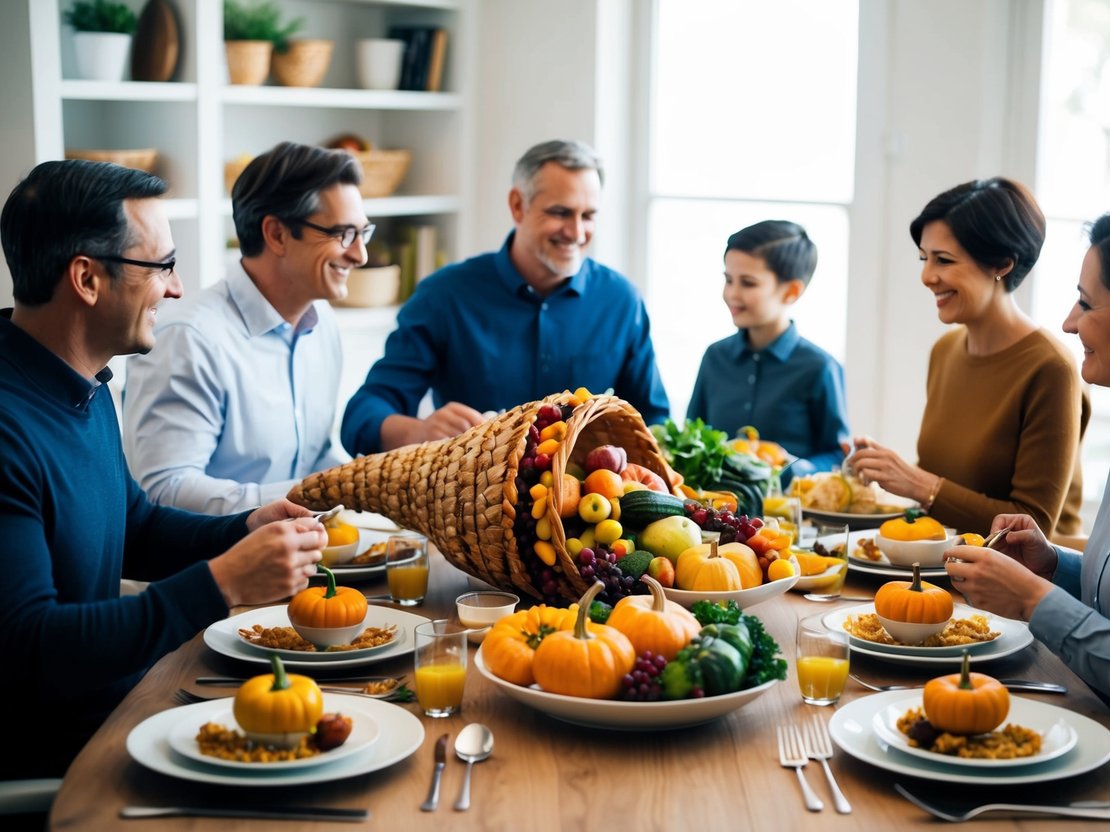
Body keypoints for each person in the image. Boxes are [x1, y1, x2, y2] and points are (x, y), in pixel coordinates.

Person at [0, 160, 327, 780]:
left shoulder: (86, 386)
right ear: (87, 279)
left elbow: (135, 526)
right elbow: (30, 648)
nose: (176, 289)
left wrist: (245, 529)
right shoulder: (9, 427)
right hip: (69, 763)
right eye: (162, 267)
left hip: (124, 708)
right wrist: (221, 584)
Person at [944, 199, 1110, 789]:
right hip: (1093, 718)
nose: (1068, 322)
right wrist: (1054, 565)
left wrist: (1034, 599)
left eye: (1088, 304)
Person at [340, 139, 670, 455]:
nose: (576, 232)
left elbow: (655, 425)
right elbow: (361, 417)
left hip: (590, 503)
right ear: (517, 205)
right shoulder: (444, 296)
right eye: (560, 212)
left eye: (588, 216)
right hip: (470, 500)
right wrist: (416, 432)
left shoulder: (622, 302)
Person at [123, 142, 366, 513]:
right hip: (216, 566)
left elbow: (313, 459)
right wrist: (311, 496)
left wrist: (369, 482)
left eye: (364, 233)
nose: (360, 254)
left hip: (308, 560)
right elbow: (163, 491)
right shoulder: (188, 338)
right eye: (343, 234)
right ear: (277, 235)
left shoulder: (323, 325)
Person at [849, 178, 1089, 538]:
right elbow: (947, 483)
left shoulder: (1050, 368)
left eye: (943, 260)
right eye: (924, 258)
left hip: (1022, 582)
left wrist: (919, 485)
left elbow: (1033, 525)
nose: (927, 276)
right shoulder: (946, 350)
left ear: (1003, 264)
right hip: (946, 564)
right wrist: (883, 471)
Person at [686, 220, 848, 478]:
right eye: (728, 280)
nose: (731, 294)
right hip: (712, 512)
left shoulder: (819, 367)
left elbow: (836, 456)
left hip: (788, 514)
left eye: (748, 283)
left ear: (792, 291)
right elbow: (689, 438)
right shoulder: (714, 357)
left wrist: (791, 468)